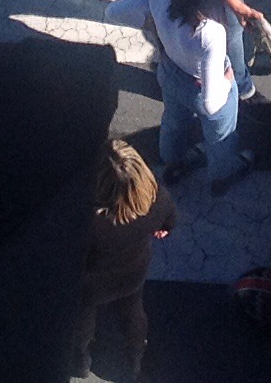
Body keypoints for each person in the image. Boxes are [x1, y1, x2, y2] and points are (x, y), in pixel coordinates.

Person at [104, 0, 265, 192]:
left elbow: (112, 12)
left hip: (170, 73)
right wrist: (227, 79)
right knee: (220, 138)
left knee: (173, 121)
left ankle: (173, 162)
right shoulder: (211, 32)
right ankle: (222, 174)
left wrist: (151, 25)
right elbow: (212, 104)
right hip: (201, 86)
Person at [71, 137, 174, 383]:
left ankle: (81, 362)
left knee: (82, 322)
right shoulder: (155, 201)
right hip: (133, 272)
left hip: (90, 284)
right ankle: (135, 360)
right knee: (133, 313)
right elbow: (170, 222)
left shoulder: (88, 223)